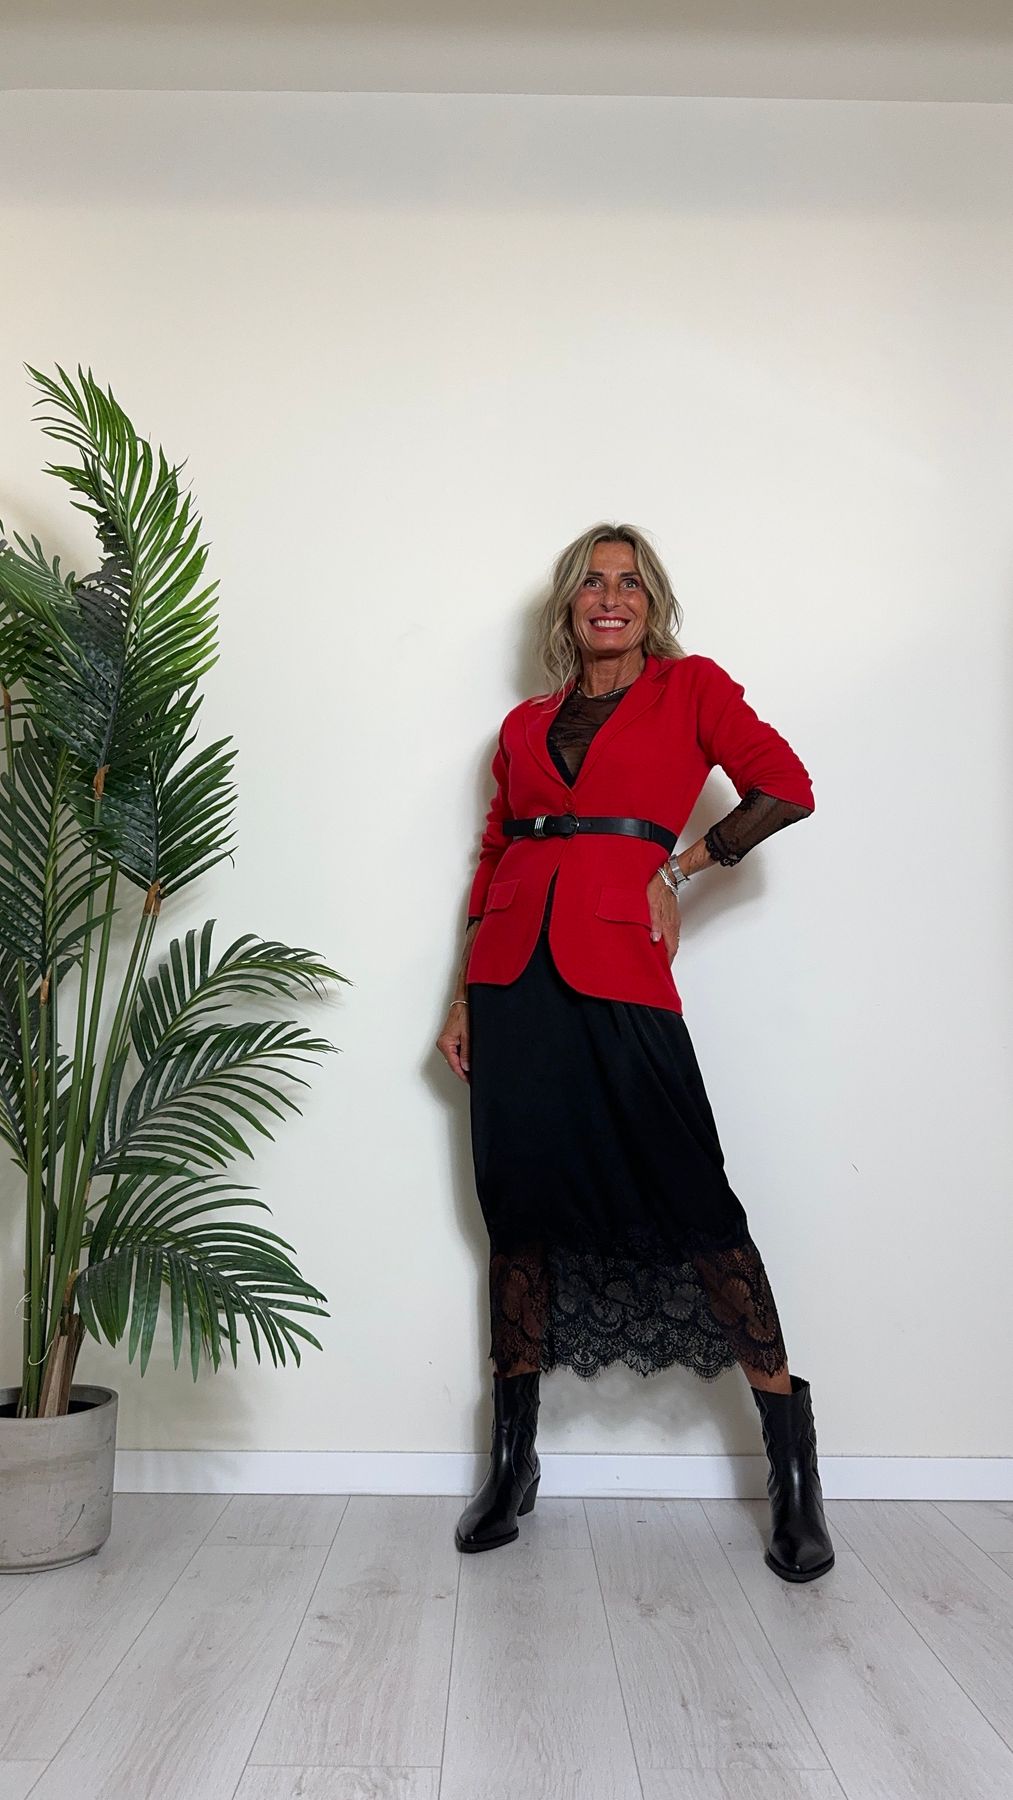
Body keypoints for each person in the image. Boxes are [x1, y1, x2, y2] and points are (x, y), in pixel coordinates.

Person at [436, 522, 834, 1583]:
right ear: (568, 604)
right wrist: (463, 994)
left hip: (617, 963)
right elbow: (493, 855)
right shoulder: (521, 726)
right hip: (511, 979)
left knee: (694, 1195)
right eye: (590, 583)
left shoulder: (689, 689)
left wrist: (679, 867)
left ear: (650, 604)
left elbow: (785, 786)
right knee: (517, 1201)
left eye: (628, 583)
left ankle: (793, 1470)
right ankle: (512, 1462)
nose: (608, 598)